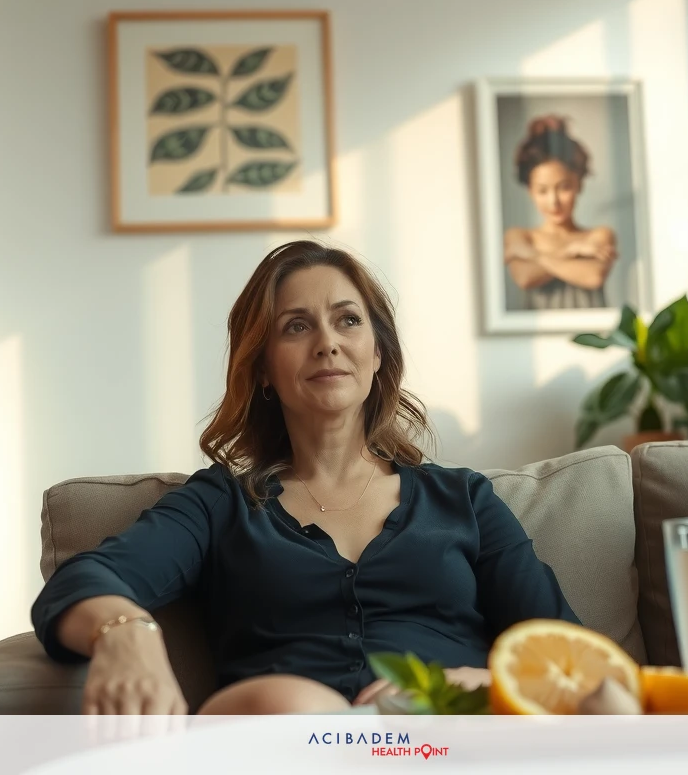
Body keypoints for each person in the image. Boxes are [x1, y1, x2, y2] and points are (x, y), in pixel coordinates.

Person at [30, 241, 581, 715]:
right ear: (264, 369)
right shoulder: (220, 503)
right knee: (294, 707)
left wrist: (468, 685)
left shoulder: (464, 500)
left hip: (441, 744)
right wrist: (124, 631)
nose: (327, 342)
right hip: (280, 744)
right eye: (296, 326)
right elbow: (81, 583)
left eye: (348, 320)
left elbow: (573, 659)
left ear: (378, 353)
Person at [503, 114, 618, 310]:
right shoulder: (519, 236)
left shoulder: (599, 236)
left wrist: (533, 256)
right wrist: (571, 251)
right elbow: (525, 278)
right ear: (530, 191)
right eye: (542, 190)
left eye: (564, 188)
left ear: (579, 184)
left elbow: (593, 277)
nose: (553, 201)